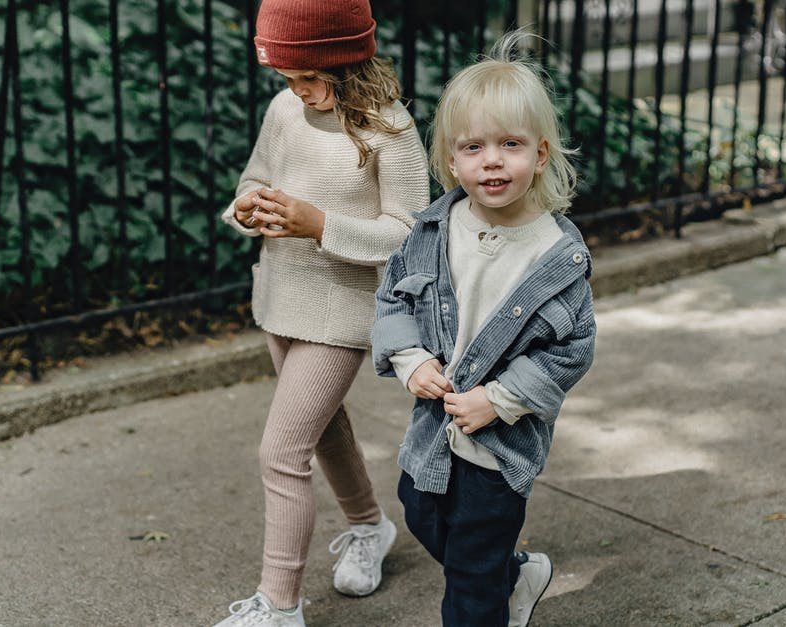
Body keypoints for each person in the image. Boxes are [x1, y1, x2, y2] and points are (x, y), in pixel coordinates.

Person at [213, 0, 429, 625]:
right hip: (281, 298)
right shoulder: (285, 110)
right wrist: (248, 207)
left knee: (281, 452)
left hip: (343, 309)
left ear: (348, 63)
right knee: (326, 428)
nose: (299, 92)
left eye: (310, 79)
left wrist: (319, 224)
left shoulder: (390, 129)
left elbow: (411, 231)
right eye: (289, 79)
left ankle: (279, 606)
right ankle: (369, 527)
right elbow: (253, 179)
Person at [372, 31, 595, 626]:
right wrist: (410, 358)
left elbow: (573, 347)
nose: (491, 160)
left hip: (500, 439)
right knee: (419, 510)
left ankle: (488, 592)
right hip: (434, 430)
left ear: (541, 154)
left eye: (510, 144)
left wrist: (499, 399)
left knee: (470, 576)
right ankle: (513, 574)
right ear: (451, 160)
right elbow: (393, 298)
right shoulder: (431, 231)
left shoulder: (556, 254)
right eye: (473, 147)